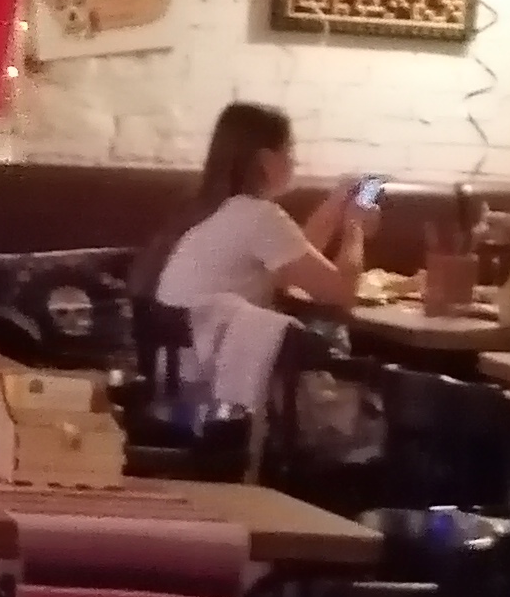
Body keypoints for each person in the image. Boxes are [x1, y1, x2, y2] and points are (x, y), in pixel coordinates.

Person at [152, 100, 367, 424]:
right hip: (219, 397)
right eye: (290, 151)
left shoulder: (210, 209)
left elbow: (292, 262)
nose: (294, 160)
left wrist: (336, 205)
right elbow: (341, 293)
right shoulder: (259, 216)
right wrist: (355, 228)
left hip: (174, 387)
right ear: (267, 160)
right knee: (368, 402)